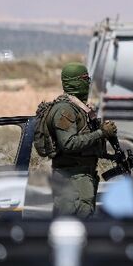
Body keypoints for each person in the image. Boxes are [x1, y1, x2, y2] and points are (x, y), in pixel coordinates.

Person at [49, 63, 117, 219]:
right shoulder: (64, 110)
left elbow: (86, 141)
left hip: (82, 176)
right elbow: (68, 143)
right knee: (72, 226)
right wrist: (100, 133)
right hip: (71, 179)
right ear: (74, 81)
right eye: (84, 79)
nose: (88, 83)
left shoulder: (80, 108)